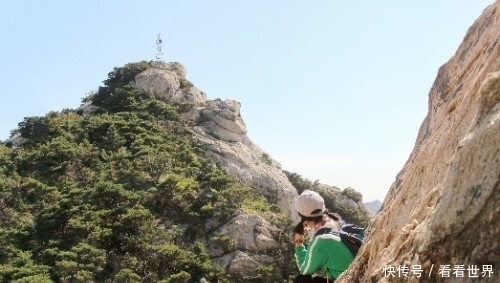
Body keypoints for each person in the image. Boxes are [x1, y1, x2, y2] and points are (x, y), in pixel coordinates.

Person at [293, 190, 355, 283]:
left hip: (348, 279)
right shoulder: (336, 223)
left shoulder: (321, 240)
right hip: (356, 273)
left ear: (301, 215)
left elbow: (305, 270)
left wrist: (298, 242)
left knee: (301, 280)